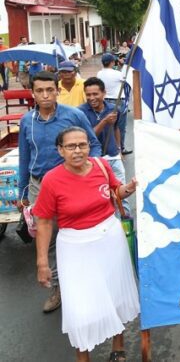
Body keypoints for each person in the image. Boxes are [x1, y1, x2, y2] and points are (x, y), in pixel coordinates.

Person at [32, 126, 138, 362]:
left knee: (115, 295)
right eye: (71, 146)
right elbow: (45, 222)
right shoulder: (52, 180)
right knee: (81, 308)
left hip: (111, 239)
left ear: (89, 146)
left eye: (82, 145)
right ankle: (83, 357)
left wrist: (126, 189)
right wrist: (42, 262)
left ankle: (118, 349)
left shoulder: (101, 165)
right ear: (60, 150)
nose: (78, 151)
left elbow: (115, 192)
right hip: (75, 247)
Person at [18, 72, 102, 313]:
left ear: (57, 91)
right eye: (39, 91)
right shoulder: (27, 121)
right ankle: (59, 288)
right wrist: (24, 192)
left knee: (75, 233)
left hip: (70, 185)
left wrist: (87, 172)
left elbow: (93, 145)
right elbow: (25, 156)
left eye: (49, 90)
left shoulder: (73, 115)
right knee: (48, 238)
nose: (45, 95)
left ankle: (85, 278)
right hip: (38, 186)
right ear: (32, 93)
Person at [79, 77, 130, 214]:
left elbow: (116, 129)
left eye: (95, 94)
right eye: (88, 94)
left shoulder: (113, 109)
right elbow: (87, 137)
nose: (92, 98)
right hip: (93, 160)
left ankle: (125, 226)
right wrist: (104, 121)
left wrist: (119, 149)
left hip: (113, 157)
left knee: (121, 194)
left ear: (104, 93)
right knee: (99, 196)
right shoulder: (80, 113)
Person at [97, 53, 129, 153]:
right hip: (117, 101)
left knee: (108, 126)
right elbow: (127, 80)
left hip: (105, 101)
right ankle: (121, 148)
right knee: (120, 127)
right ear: (112, 62)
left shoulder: (99, 73)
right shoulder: (117, 73)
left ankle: (107, 147)